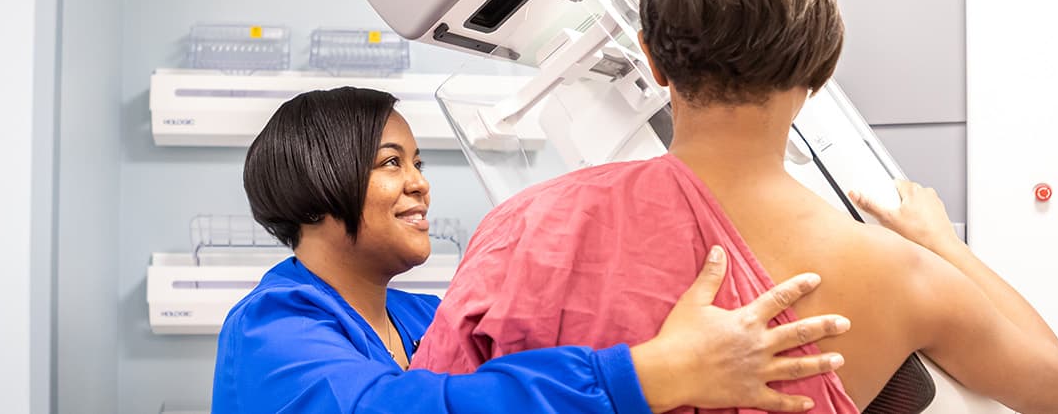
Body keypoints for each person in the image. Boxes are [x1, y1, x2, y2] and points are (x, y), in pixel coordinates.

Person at [411, 0, 1058, 413]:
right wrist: (940, 242)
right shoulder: (902, 276)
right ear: (822, 66)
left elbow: (424, 400)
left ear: (652, 58)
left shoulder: (526, 229)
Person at [210, 87, 856, 413]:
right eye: (390, 163)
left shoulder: (417, 318)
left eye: (418, 161)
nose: (419, 183)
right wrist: (656, 373)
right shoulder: (273, 327)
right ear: (315, 191)